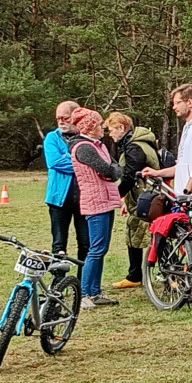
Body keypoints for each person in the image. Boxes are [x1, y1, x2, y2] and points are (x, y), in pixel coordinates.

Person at [141, 84, 192, 309]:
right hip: (187, 197)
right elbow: (183, 165)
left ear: (190, 102)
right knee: (191, 242)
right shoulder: (189, 126)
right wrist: (158, 172)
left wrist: (187, 190)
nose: (173, 107)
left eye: (177, 102)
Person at [66, 107, 123, 310]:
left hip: (106, 200)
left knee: (102, 248)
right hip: (95, 202)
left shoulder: (98, 145)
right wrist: (112, 171)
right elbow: (109, 169)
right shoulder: (84, 147)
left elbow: (115, 168)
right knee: (96, 249)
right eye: (99, 124)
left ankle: (95, 291)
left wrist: (113, 171)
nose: (102, 128)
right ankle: (85, 293)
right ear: (89, 128)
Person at [105, 112, 160, 289]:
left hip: (145, 199)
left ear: (121, 128)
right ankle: (136, 273)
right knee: (141, 233)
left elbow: (131, 176)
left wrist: (118, 194)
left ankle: (135, 275)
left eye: (111, 130)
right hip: (146, 196)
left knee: (136, 232)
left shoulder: (133, 147)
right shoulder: (141, 143)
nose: (110, 134)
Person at [43, 101, 90, 264]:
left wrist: (72, 159)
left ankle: (83, 285)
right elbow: (55, 162)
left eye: (65, 117)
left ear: (76, 116)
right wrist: (82, 162)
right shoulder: (51, 138)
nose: (61, 121)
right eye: (58, 118)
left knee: (86, 244)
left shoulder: (86, 137)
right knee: (58, 245)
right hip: (58, 200)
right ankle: (57, 285)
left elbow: (96, 161)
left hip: (84, 200)